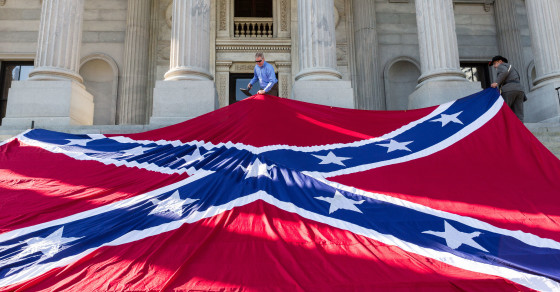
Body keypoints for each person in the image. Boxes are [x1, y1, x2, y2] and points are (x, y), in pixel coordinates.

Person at [489, 55, 526, 122]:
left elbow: (504, 72)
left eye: (494, 63)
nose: (494, 66)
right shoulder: (512, 67)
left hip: (508, 90)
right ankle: (519, 130)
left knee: (504, 111)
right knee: (519, 114)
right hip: (520, 90)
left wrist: (496, 83)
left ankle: (505, 129)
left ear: (500, 61)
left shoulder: (501, 66)